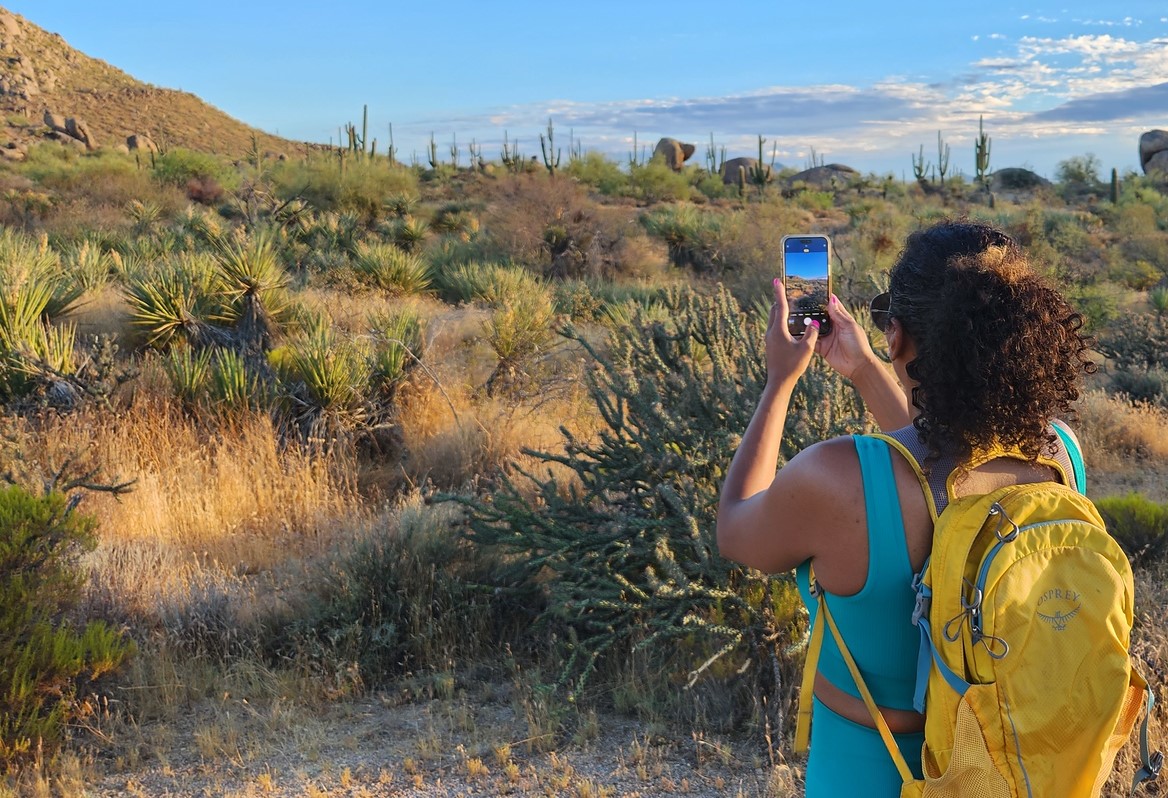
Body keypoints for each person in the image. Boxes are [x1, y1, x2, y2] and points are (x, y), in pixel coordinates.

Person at [715, 220, 1094, 797]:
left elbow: (738, 530)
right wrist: (866, 370)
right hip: (1007, 768)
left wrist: (779, 381)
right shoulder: (1060, 454)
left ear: (896, 334)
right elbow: (942, 470)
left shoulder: (839, 477)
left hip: (867, 768)